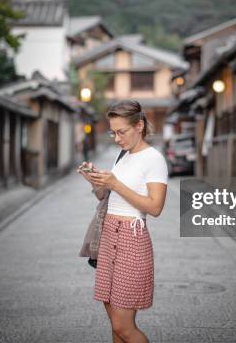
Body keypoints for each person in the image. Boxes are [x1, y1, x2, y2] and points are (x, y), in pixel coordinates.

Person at [77, 100, 168, 343]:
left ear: (139, 126)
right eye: (113, 132)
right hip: (109, 237)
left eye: (121, 132)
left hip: (131, 239)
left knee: (122, 324)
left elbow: (155, 207)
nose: (116, 138)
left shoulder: (154, 159)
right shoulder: (123, 156)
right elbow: (107, 196)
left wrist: (115, 183)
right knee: (115, 324)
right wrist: (96, 182)